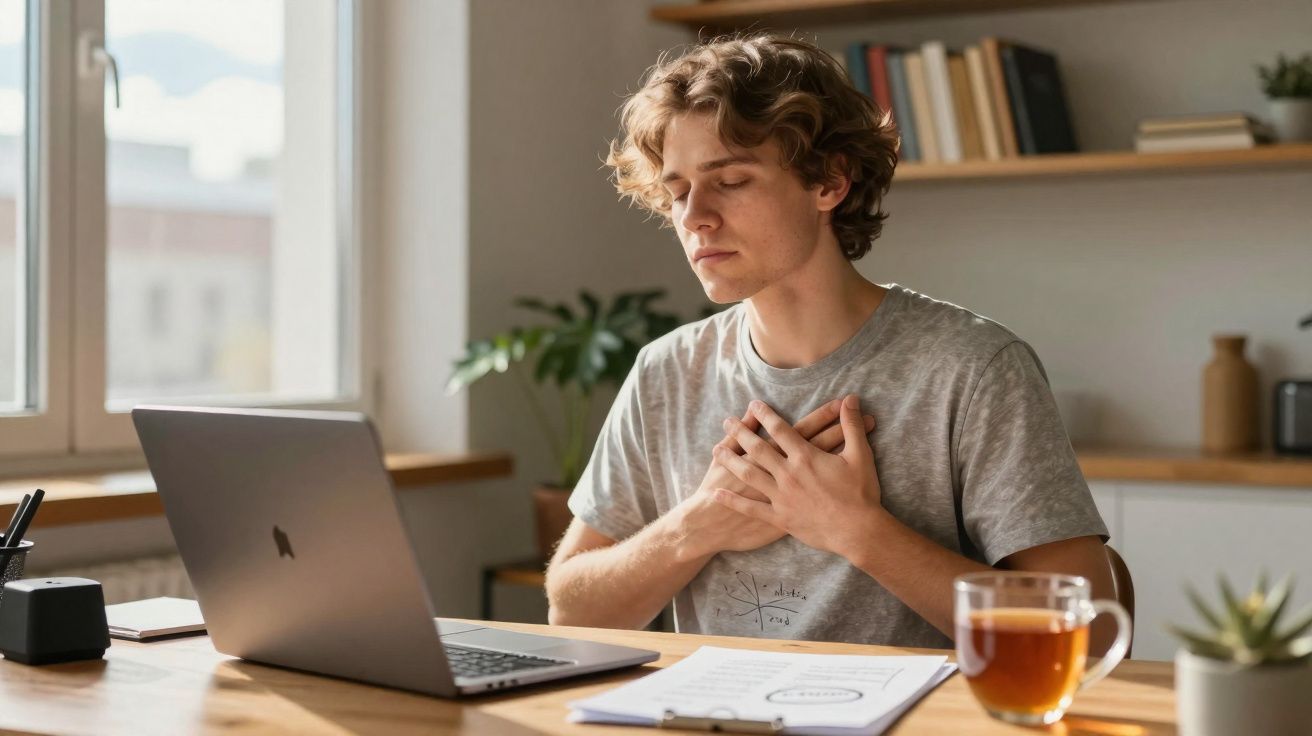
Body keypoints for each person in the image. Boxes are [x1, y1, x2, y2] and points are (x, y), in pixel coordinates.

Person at [543, 33, 1114, 653]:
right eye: (678, 192)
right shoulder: (666, 371)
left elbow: (1089, 635)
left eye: (730, 180)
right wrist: (697, 525)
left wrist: (856, 530)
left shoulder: (973, 369)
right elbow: (569, 610)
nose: (694, 216)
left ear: (829, 182)